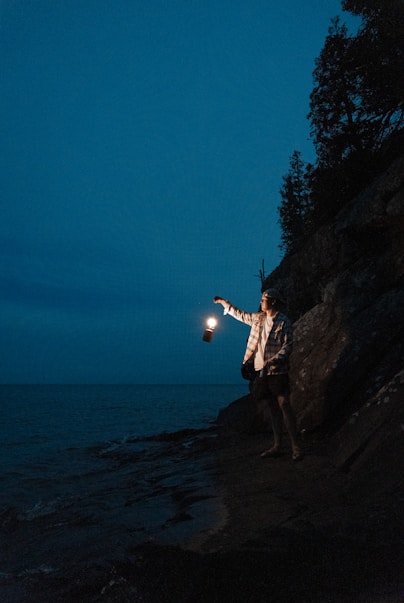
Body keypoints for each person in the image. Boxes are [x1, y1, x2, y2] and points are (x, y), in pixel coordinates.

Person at [213, 289, 303, 461]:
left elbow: (288, 346)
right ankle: (277, 445)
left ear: (273, 301)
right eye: (262, 299)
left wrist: (274, 360)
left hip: (277, 370)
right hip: (261, 371)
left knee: (284, 403)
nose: (261, 302)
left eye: (264, 299)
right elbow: (240, 315)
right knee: (272, 407)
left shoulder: (284, 322)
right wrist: (225, 303)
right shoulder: (258, 318)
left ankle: (295, 446)